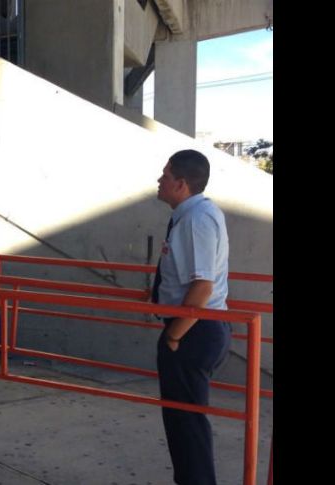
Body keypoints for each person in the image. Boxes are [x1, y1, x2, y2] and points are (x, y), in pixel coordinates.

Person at [152, 149, 231, 485]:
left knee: (187, 425)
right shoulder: (193, 214)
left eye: (165, 176)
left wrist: (173, 336)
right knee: (184, 422)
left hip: (192, 332)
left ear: (181, 184)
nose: (159, 180)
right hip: (197, 328)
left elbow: (201, 287)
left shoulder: (197, 219)